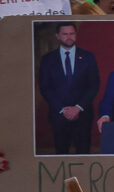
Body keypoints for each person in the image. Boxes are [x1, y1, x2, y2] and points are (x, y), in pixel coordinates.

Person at [36, 21, 100, 154]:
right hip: (58, 115)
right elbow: (45, 87)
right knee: (61, 152)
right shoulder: (47, 59)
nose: (69, 37)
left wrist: (77, 108)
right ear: (57, 36)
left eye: (72, 33)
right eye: (65, 34)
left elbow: (94, 85)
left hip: (83, 114)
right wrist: (62, 109)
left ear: (76, 35)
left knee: (83, 152)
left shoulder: (88, 57)